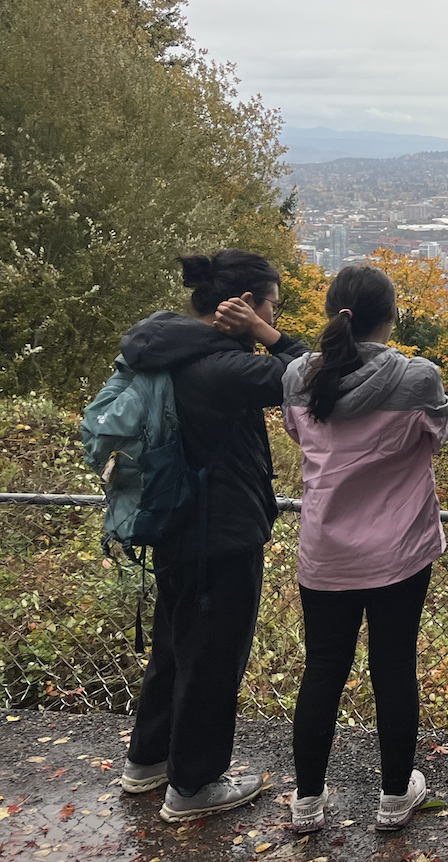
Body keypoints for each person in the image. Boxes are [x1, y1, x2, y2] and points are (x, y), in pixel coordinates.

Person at [117, 250, 308, 822]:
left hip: (172, 523)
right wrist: (269, 335)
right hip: (220, 533)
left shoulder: (167, 351)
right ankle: (193, 785)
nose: (274, 315)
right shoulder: (223, 367)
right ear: (244, 304)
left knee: (175, 647)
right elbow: (311, 374)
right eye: (272, 306)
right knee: (213, 660)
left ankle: (148, 761)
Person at [280, 265, 448, 833]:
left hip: (325, 550)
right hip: (400, 550)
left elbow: (299, 435)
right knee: (394, 667)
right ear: (392, 315)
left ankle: (307, 803)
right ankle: (395, 797)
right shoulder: (418, 378)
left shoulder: (298, 377)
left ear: (334, 313)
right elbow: (437, 437)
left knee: (322, 669)